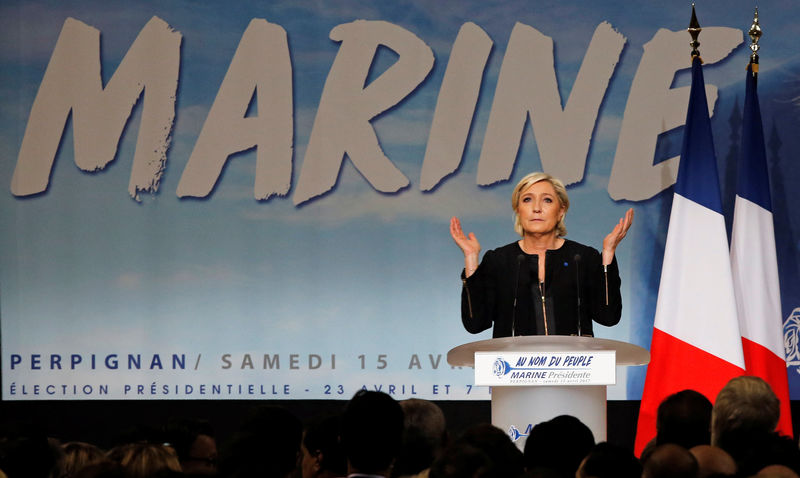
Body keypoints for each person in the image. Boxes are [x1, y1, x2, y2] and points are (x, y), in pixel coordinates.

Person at [450, 172, 633, 337]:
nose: (536, 208)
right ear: (518, 210)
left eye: (547, 200)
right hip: (515, 371)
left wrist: (608, 254)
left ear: (561, 210)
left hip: (573, 371)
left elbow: (608, 317)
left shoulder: (582, 258)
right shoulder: (499, 261)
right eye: (527, 200)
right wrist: (471, 258)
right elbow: (475, 324)